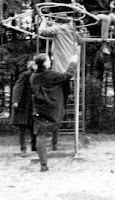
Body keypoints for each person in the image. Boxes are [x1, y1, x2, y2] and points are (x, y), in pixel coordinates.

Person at [39, 14, 82, 150]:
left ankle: (53, 141)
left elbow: (42, 32)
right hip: (70, 70)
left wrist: (44, 21)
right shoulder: (73, 31)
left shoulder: (58, 29)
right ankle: (54, 141)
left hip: (59, 72)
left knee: (55, 106)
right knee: (62, 104)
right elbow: (81, 41)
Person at [31, 53, 78, 172]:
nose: (50, 60)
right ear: (45, 63)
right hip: (52, 108)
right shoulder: (50, 75)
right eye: (48, 60)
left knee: (40, 135)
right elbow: (67, 75)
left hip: (39, 108)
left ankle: (43, 164)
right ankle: (54, 145)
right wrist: (73, 62)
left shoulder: (33, 77)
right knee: (53, 126)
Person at [11, 60, 37, 156]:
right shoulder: (25, 75)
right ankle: (24, 148)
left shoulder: (37, 75)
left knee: (33, 127)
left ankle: (33, 147)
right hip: (24, 105)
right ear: (31, 66)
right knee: (23, 128)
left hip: (31, 105)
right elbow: (18, 87)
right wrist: (16, 100)